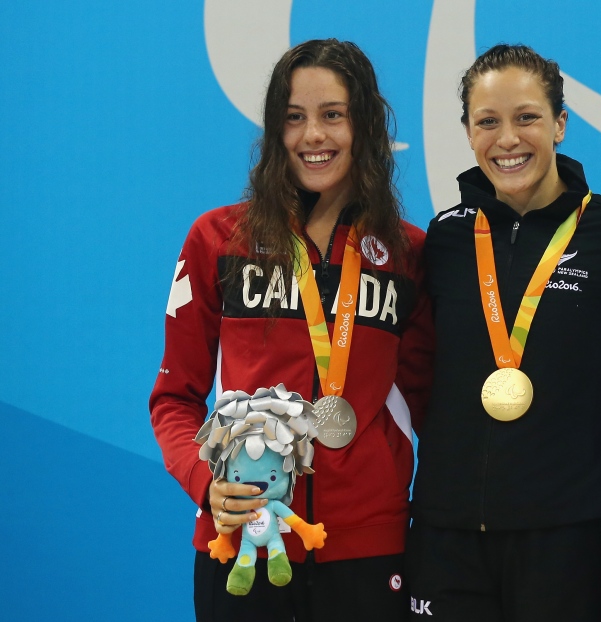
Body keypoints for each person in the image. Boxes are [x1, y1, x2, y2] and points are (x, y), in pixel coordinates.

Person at [150, 39, 433, 622]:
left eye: (333, 115)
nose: (314, 137)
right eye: (294, 118)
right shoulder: (216, 239)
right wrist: (207, 482)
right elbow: (174, 398)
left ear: (367, 128)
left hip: (369, 547)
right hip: (242, 539)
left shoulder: (407, 255)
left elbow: (431, 403)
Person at [405, 44, 601, 621]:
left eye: (527, 117)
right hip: (448, 534)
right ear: (467, 133)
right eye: (488, 122)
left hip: (570, 534)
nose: (507, 139)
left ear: (560, 123)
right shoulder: (444, 239)